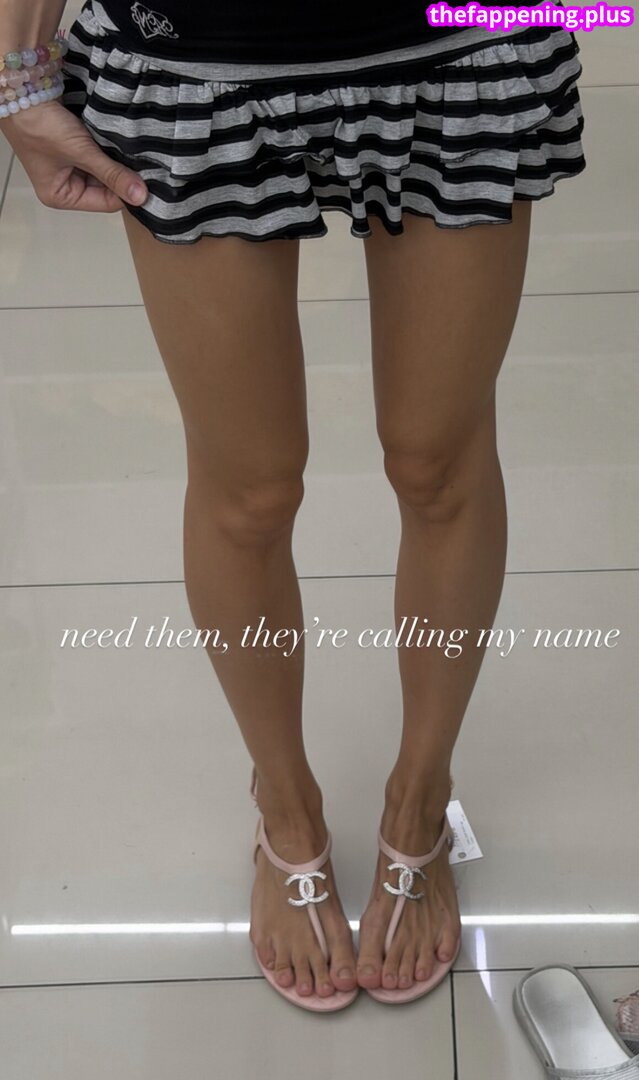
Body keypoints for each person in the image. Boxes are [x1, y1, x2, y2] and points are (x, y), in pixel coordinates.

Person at [1, 0, 586, 1013]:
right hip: (193, 52)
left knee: (439, 462)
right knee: (249, 488)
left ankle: (421, 793)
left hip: (461, 42)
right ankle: (284, 802)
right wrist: (15, 68)